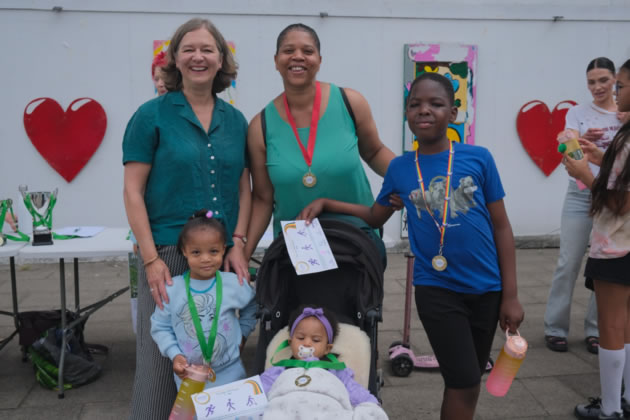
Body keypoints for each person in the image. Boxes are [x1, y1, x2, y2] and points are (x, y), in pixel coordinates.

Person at [298, 72, 524, 420]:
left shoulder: (479, 158)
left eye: (436, 103)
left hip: (487, 288)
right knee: (463, 379)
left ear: (453, 113)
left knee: (471, 376)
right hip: (437, 289)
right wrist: (329, 203)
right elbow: (375, 216)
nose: (424, 110)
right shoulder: (401, 169)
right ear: (406, 113)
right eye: (415, 104)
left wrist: (510, 294)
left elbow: (502, 227)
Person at [122, 18, 251, 419]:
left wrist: (239, 244)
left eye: (208, 49)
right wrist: (151, 260)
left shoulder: (236, 120)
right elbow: (132, 191)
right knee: (161, 366)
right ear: (175, 58)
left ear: (221, 60)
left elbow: (244, 187)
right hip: (167, 256)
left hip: (220, 255)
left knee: (221, 359)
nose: (199, 56)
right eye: (189, 49)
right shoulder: (150, 116)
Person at [243, 23, 397, 260]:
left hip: (357, 240)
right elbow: (263, 198)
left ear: (319, 59)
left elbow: (375, 151)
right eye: (288, 51)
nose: (298, 57)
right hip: (299, 250)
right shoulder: (260, 126)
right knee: (306, 298)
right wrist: (244, 254)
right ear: (276, 61)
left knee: (358, 298)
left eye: (307, 51)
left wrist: (410, 180)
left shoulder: (349, 102)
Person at [544, 57, 625, 354]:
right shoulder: (578, 113)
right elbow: (566, 146)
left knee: (606, 265)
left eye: (603, 80)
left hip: (614, 196)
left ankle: (595, 329)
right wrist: (577, 141)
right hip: (581, 194)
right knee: (569, 260)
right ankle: (555, 327)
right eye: (591, 82)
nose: (597, 87)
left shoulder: (624, 114)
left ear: (615, 79)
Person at [569, 59, 630, 420]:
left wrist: (583, 173)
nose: (614, 92)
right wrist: (599, 157)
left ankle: (610, 409)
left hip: (616, 244)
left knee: (612, 326)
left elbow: (620, 202)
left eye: (620, 85)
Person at [151, 210, 256, 389]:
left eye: (213, 251)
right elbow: (160, 326)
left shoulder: (233, 284)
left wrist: (243, 333)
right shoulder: (172, 289)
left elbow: (253, 304)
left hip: (231, 372)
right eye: (196, 252)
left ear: (224, 248)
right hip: (190, 376)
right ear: (184, 251)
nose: (206, 259)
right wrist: (175, 355)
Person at [260, 305, 388, 420]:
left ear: (327, 348)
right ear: (290, 342)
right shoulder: (281, 368)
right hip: (285, 409)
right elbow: (260, 389)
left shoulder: (335, 370)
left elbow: (356, 392)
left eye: (315, 340)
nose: (307, 343)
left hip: (326, 409)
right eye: (300, 338)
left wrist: (371, 405)